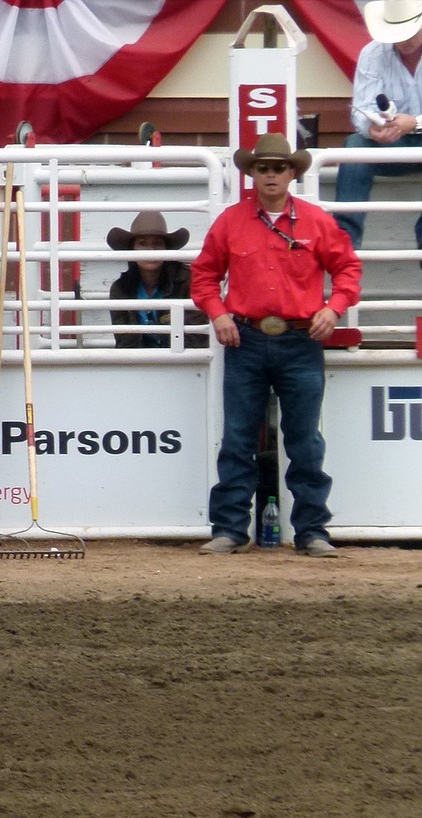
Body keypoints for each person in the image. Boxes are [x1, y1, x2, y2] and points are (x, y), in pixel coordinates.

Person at [190, 134, 361, 557]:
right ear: (251, 175)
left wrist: (334, 308)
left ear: (292, 174)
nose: (270, 175)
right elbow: (204, 276)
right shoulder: (230, 222)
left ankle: (312, 530)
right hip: (246, 337)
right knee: (238, 437)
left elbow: (348, 269)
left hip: (301, 337)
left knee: (304, 439)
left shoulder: (317, 222)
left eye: (278, 168)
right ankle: (231, 528)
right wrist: (219, 313)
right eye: (263, 168)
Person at [333, 0, 422, 249]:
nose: (403, 41)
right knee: (356, 143)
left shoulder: (373, 54)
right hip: (394, 144)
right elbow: (363, 109)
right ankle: (345, 243)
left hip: (407, 138)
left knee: (355, 145)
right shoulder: (372, 54)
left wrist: (414, 123)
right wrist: (372, 128)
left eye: (408, 33)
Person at [105, 211, 208, 349]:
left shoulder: (188, 280)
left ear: (166, 248)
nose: (151, 250)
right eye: (143, 244)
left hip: (182, 363)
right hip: (140, 365)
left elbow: (195, 338)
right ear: (132, 249)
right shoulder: (121, 288)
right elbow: (125, 342)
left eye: (157, 244)